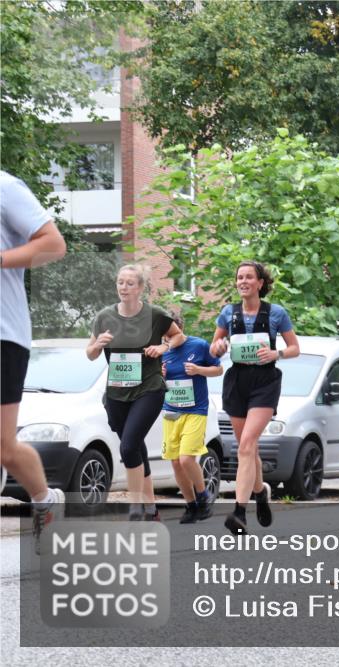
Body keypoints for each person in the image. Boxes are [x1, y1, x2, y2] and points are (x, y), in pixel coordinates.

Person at [87, 264, 186, 521]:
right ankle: (151, 509)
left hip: (149, 388)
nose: (124, 287)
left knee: (129, 446)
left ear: (140, 288)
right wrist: (97, 345)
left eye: (130, 283)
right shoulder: (105, 316)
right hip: (117, 392)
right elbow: (90, 353)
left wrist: (163, 348)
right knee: (136, 448)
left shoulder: (155, 315)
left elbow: (178, 337)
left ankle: (135, 508)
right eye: (120, 282)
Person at [1, 171, 67, 550]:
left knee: (4, 447)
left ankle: (44, 500)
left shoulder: (5, 188)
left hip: (4, 334)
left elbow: (54, 245)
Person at [210, 261, 300, 534]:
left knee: (247, 445)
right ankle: (260, 492)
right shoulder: (228, 313)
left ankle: (239, 512)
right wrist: (219, 347)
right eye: (240, 277)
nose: (243, 281)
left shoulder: (276, 313)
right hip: (237, 381)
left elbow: (295, 348)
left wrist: (276, 353)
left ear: (260, 283)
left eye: (249, 277)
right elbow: (214, 348)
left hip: (265, 382)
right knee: (247, 449)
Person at [161, 312, 223, 523]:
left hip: (196, 410)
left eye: (170, 335)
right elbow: (153, 384)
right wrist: (159, 375)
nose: (168, 339)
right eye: (164, 336)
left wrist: (198, 370)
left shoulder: (198, 345)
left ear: (180, 329)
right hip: (171, 411)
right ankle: (191, 506)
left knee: (187, 458)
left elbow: (218, 369)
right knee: (176, 463)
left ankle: (203, 497)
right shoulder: (162, 351)